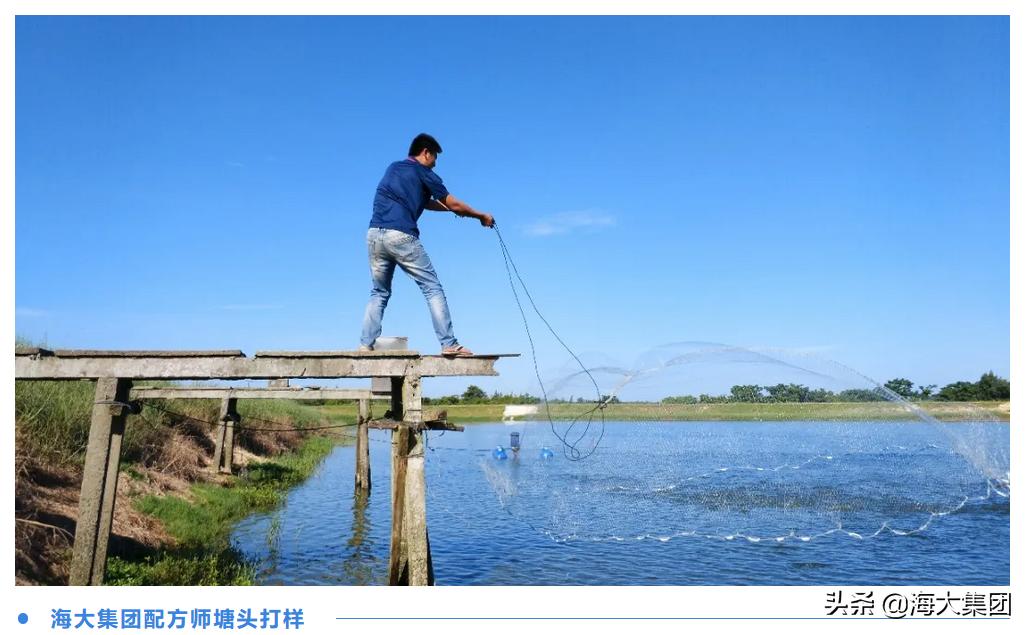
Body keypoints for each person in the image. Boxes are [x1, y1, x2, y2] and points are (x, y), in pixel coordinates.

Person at [359, 133, 494, 356]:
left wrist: (452, 210)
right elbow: (454, 203)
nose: (433, 165)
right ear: (426, 153)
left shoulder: (394, 168)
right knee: (432, 288)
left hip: (374, 235)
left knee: (379, 292)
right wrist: (479, 215)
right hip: (400, 235)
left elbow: (425, 202)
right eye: (434, 160)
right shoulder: (423, 172)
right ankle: (449, 343)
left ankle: (365, 344)